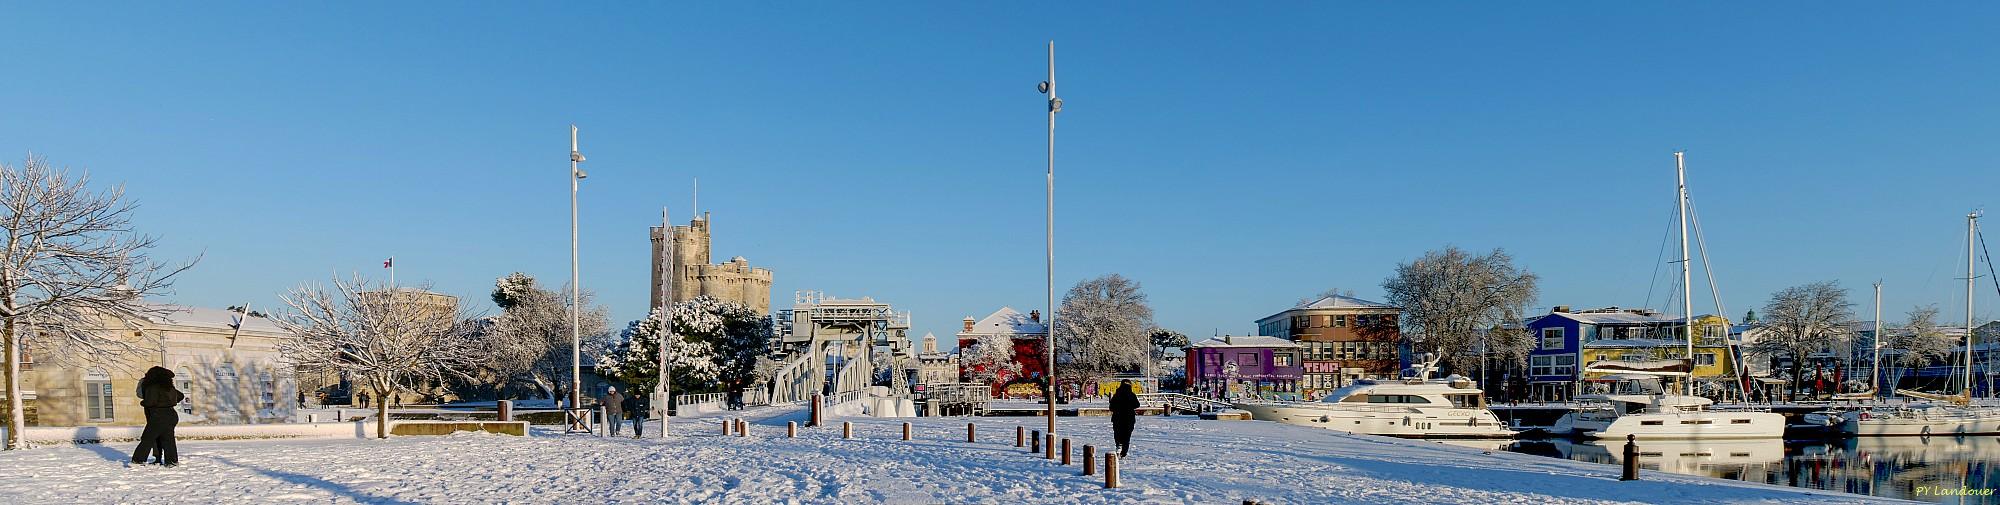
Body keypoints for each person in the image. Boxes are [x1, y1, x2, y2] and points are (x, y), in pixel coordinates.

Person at [131, 366, 185, 467]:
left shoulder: (153, 387)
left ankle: (138, 460)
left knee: (147, 438)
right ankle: (172, 461)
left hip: (158, 415)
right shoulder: (168, 387)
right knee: (168, 440)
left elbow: (151, 402)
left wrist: (143, 402)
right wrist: (170, 401)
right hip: (171, 415)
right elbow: (180, 396)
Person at [1108, 379, 1140, 458]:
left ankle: (1119, 445)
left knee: (1118, 433)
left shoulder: (1117, 394)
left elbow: (1111, 407)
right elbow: (1137, 405)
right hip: (1129, 418)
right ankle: (1124, 452)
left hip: (1117, 417)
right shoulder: (1132, 395)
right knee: (1127, 435)